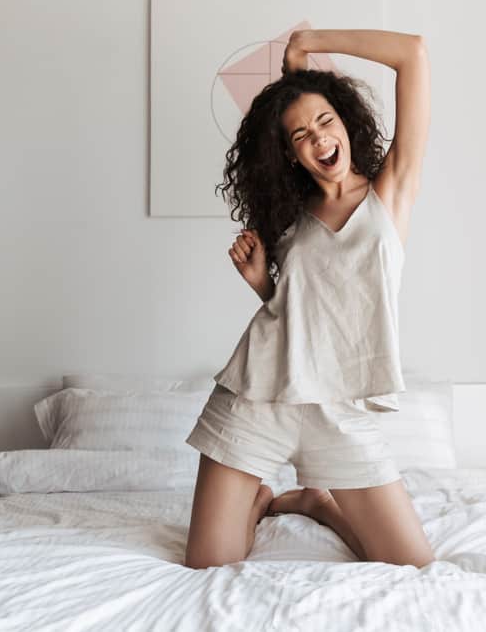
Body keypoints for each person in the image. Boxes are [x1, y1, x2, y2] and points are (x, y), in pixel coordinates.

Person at [183, 29, 431, 569]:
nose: (318, 139)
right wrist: (261, 284)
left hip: (341, 408)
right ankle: (259, 503)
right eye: (299, 136)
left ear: (345, 122)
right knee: (207, 565)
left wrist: (309, 42)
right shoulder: (291, 224)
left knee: (412, 566)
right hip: (257, 399)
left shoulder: (390, 190)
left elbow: (412, 55)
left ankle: (320, 504)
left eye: (324, 121)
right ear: (291, 156)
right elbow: (301, 313)